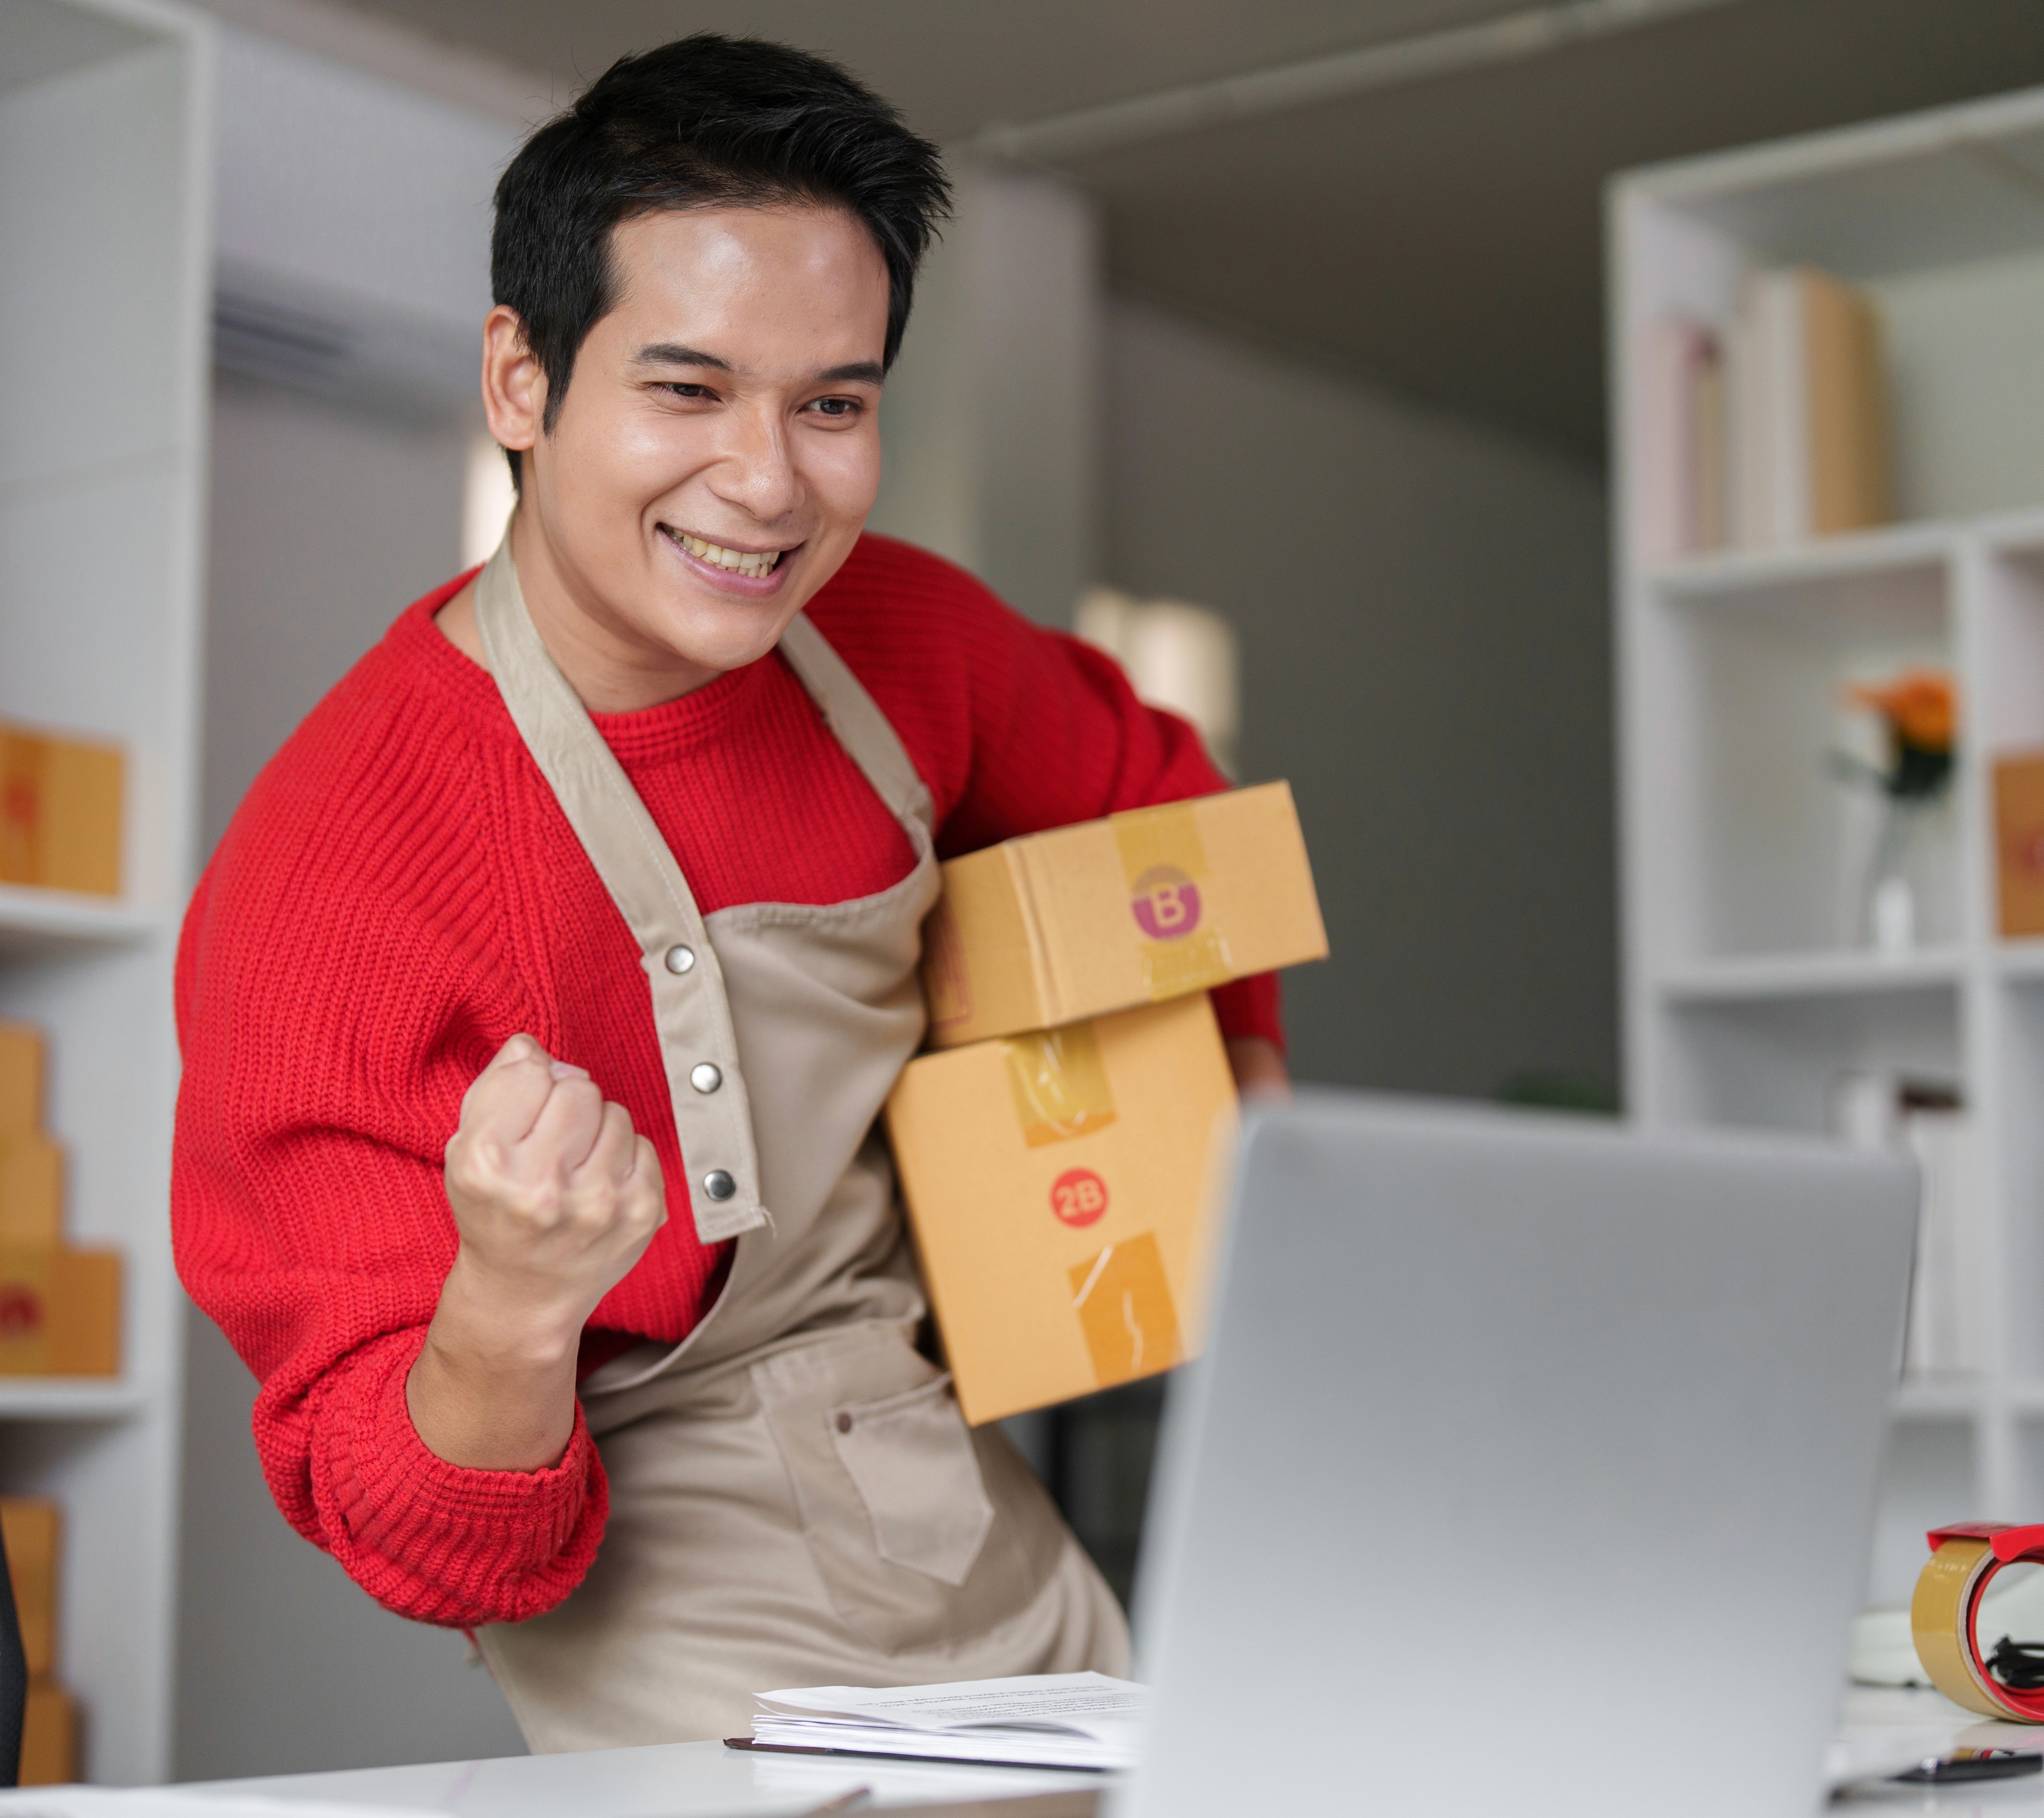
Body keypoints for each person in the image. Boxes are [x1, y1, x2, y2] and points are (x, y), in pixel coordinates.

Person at [171, 34, 1285, 1752]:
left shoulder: (904, 636)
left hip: (990, 1530)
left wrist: (1233, 1087)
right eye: (687, 390)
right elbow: (423, 1538)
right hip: (673, 1630)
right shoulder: (333, 881)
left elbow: (1158, 806)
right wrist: (512, 1300)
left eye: (832, 403)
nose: (768, 483)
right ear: (522, 382)